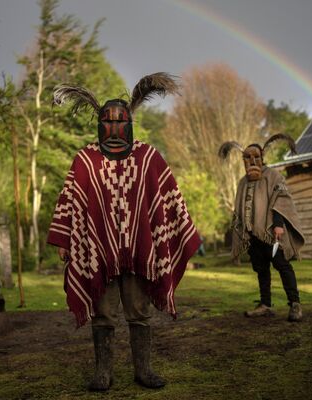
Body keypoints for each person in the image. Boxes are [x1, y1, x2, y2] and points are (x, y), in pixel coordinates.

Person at [48, 73, 201, 391]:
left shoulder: (148, 158)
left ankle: (143, 369)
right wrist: (64, 239)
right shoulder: (85, 160)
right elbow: (69, 199)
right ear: (99, 124)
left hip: (140, 252)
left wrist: (173, 236)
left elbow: (168, 198)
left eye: (121, 121)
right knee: (102, 313)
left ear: (131, 123)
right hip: (96, 252)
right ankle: (103, 372)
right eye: (108, 122)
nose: (114, 128)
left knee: (139, 311)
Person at [218, 135, 305, 322]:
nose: (251, 161)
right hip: (252, 234)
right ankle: (265, 304)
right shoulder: (243, 182)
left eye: (255, 156)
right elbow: (239, 208)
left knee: (282, 266)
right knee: (261, 270)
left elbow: (281, 200)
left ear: (262, 156)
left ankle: (295, 304)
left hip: (271, 232)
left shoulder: (273, 176)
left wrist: (279, 225)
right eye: (247, 158)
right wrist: (243, 232)